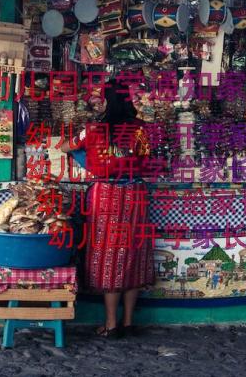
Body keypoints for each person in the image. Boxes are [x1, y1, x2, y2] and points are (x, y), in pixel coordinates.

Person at [61, 83, 154, 338]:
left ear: (106, 103)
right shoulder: (141, 130)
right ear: (129, 102)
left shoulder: (93, 129)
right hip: (135, 194)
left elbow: (65, 147)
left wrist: (89, 160)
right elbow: (146, 158)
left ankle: (111, 325)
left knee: (109, 256)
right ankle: (128, 322)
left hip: (107, 195)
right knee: (134, 254)